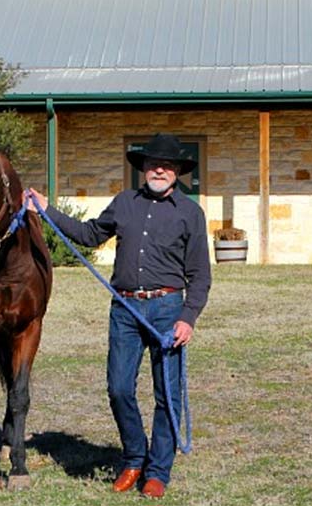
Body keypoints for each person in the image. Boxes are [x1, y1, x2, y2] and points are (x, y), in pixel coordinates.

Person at [26, 132, 211, 499]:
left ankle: (157, 472)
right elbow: (89, 233)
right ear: (143, 168)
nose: (160, 169)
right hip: (125, 309)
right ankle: (133, 458)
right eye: (153, 163)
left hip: (167, 310)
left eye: (167, 165)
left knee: (167, 396)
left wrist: (188, 317)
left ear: (177, 172)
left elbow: (200, 276)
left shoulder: (191, 213)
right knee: (119, 388)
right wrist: (45, 208)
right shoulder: (124, 203)